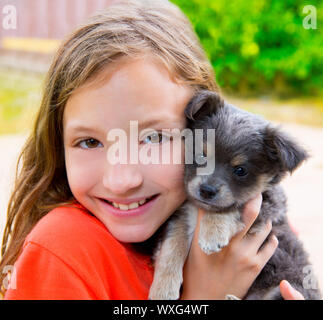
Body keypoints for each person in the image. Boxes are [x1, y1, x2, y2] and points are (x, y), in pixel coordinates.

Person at [0, 0, 304, 300]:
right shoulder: (62, 252)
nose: (122, 179)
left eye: (155, 138)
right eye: (90, 142)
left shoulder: (253, 220)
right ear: (58, 145)